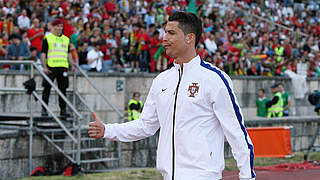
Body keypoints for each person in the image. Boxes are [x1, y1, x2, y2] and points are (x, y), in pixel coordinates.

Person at [88, 12, 255, 180]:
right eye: (165, 32)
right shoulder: (161, 81)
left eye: (171, 33)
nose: (164, 38)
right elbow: (145, 126)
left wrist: (247, 177)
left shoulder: (214, 79)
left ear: (190, 38)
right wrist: (107, 130)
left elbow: (236, 133)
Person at [41, 18, 75, 117]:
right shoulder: (48, 38)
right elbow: (43, 53)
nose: (60, 28)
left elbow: (68, 53)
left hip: (63, 67)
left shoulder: (66, 39)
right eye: (57, 26)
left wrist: (72, 65)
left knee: (63, 90)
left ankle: (63, 111)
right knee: (47, 89)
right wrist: (44, 67)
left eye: (61, 26)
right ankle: (44, 110)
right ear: (53, 27)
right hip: (51, 67)